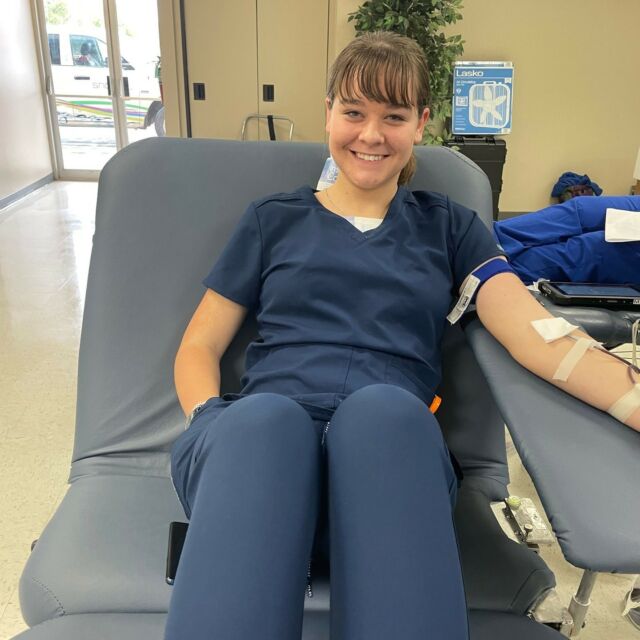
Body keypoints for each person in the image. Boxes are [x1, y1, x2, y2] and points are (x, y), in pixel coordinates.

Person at [164, 32, 640, 640]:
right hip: (256, 466)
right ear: (328, 113)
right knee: (264, 422)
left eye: (393, 116)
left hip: (385, 475)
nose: (370, 135)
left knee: (385, 414)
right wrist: (209, 418)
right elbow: (199, 345)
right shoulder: (272, 220)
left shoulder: (450, 229)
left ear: (421, 123)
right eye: (354, 112)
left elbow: (540, 336)